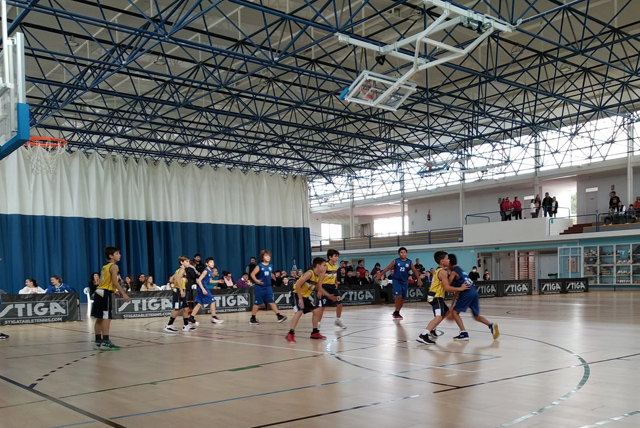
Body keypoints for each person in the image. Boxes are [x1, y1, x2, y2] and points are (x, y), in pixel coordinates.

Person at [416, 251, 469, 345]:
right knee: (438, 317)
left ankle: (432, 329)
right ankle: (423, 335)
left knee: (446, 312)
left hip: (435, 296)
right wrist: (460, 288)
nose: (449, 260)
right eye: (447, 259)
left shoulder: (439, 270)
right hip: (435, 297)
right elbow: (447, 288)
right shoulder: (442, 272)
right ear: (442, 261)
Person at [445, 254, 499, 341]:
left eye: (447, 261)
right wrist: (452, 304)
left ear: (449, 262)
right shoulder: (460, 270)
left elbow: (447, 285)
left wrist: (446, 274)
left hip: (467, 293)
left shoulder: (453, 272)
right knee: (476, 316)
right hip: (473, 291)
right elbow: (458, 289)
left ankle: (463, 333)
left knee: (455, 313)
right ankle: (490, 325)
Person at [92, 246, 130, 350]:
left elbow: (104, 282)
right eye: (117, 254)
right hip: (105, 294)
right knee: (107, 317)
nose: (119, 255)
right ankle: (106, 342)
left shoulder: (105, 267)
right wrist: (124, 294)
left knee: (99, 318)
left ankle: (98, 341)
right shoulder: (114, 266)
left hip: (99, 292)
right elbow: (115, 282)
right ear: (111, 256)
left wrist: (114, 291)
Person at [286, 257, 328, 343]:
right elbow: (298, 285)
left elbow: (318, 286)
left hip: (305, 297)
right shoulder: (309, 273)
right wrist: (300, 299)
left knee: (317, 311)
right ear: (318, 265)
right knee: (299, 312)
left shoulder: (318, 275)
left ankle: (315, 332)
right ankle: (290, 333)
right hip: (295, 294)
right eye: (324, 265)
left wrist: (322, 291)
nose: (326, 267)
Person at [375, 247, 423, 319]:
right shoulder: (396, 261)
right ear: (399, 254)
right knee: (398, 296)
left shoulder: (409, 262)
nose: (403, 254)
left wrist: (419, 279)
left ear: (406, 253)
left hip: (405, 281)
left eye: (404, 252)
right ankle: (397, 312)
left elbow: (415, 271)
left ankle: (397, 311)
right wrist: (380, 275)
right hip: (396, 280)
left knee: (403, 297)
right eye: (401, 252)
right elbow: (387, 268)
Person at [249, 250, 287, 325]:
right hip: (260, 287)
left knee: (271, 301)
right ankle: (252, 318)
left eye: (269, 256)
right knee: (257, 303)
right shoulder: (259, 266)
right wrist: (256, 281)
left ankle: (279, 316)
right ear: (262, 257)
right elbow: (252, 274)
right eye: (266, 256)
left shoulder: (270, 266)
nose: (268, 257)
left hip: (268, 286)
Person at [164, 256, 196, 333]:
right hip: (179, 291)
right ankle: (169, 325)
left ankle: (186, 325)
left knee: (186, 308)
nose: (188, 263)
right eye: (187, 261)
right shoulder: (182, 270)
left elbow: (171, 279)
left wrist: (183, 280)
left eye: (189, 261)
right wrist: (181, 290)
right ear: (182, 262)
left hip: (180, 289)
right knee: (177, 309)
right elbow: (177, 279)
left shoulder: (178, 270)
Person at [191, 257, 224, 325]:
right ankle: (214, 317)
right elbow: (199, 280)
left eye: (213, 262)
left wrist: (218, 281)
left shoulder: (210, 271)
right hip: (203, 288)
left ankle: (191, 317)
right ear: (206, 264)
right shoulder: (205, 271)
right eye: (210, 262)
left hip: (203, 288)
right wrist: (203, 289)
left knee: (199, 304)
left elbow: (209, 281)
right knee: (213, 301)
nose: (212, 264)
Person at [318, 249, 346, 330]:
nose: (337, 258)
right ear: (330, 257)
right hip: (325, 287)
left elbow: (334, 275)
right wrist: (320, 289)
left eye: (337, 256)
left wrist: (336, 282)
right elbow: (321, 278)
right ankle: (318, 323)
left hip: (333, 287)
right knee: (322, 307)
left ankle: (338, 320)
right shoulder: (325, 266)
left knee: (340, 304)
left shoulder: (335, 265)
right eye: (335, 256)